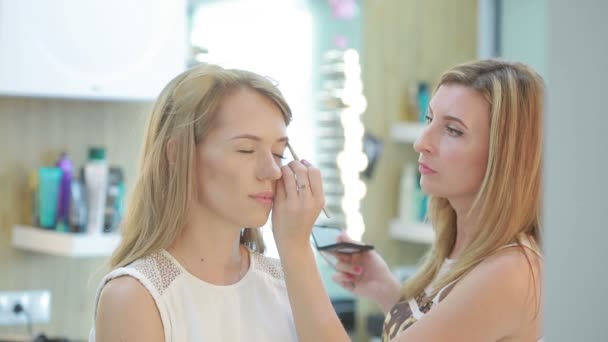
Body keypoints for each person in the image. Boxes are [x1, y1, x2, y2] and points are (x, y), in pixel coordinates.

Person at [271, 59, 545, 342]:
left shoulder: (511, 273)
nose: (421, 142)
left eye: (453, 130)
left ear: (505, 157)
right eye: (429, 120)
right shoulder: (461, 250)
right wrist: (387, 291)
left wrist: (294, 249)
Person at [91, 63, 300, 341]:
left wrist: (297, 248)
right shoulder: (136, 296)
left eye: (279, 153)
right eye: (246, 150)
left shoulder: (287, 282)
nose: (272, 171)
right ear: (178, 153)